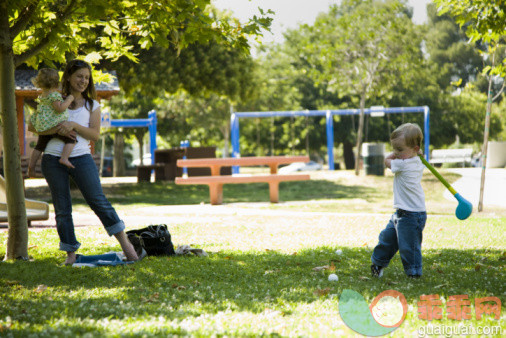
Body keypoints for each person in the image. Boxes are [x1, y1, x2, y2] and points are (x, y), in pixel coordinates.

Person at [29, 59, 140, 265]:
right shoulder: (53, 99)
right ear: (69, 77)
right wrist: (55, 129)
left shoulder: (92, 105)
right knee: (62, 209)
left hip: (82, 158)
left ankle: (128, 247)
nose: (83, 81)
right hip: (53, 160)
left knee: (98, 202)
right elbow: (34, 126)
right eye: (79, 76)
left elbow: (94, 135)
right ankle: (70, 254)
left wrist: (72, 125)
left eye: (87, 78)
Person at [370, 123, 427, 279]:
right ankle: (378, 263)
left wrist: (393, 155)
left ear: (415, 149)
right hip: (402, 213)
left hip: (412, 215)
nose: (395, 153)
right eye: (394, 148)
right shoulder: (418, 160)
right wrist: (410, 153)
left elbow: (386, 161)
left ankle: (414, 273)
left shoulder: (403, 164)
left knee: (409, 247)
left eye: (399, 150)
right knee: (387, 238)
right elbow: (415, 156)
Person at [28, 68, 76, 177]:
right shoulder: (54, 95)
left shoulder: (42, 95)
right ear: (56, 82)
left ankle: (31, 167)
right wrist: (69, 99)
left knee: (39, 147)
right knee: (72, 138)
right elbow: (60, 108)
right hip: (55, 124)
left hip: (44, 126)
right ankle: (64, 158)